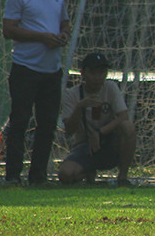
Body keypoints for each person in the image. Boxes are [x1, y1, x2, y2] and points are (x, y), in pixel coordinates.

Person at [1, 0, 71, 185]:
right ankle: (12, 175)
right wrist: (42, 37)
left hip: (52, 70)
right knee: (20, 121)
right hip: (25, 68)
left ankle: (38, 176)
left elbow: (64, 23)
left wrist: (62, 36)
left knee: (48, 124)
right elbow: (8, 30)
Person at [57, 52, 136, 186]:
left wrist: (99, 133)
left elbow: (123, 116)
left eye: (102, 73)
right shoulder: (72, 95)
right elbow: (69, 130)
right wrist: (80, 107)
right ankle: (87, 171)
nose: (98, 78)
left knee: (128, 127)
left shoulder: (110, 87)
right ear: (83, 74)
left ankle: (123, 177)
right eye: (93, 73)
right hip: (85, 146)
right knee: (65, 175)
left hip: (109, 144)